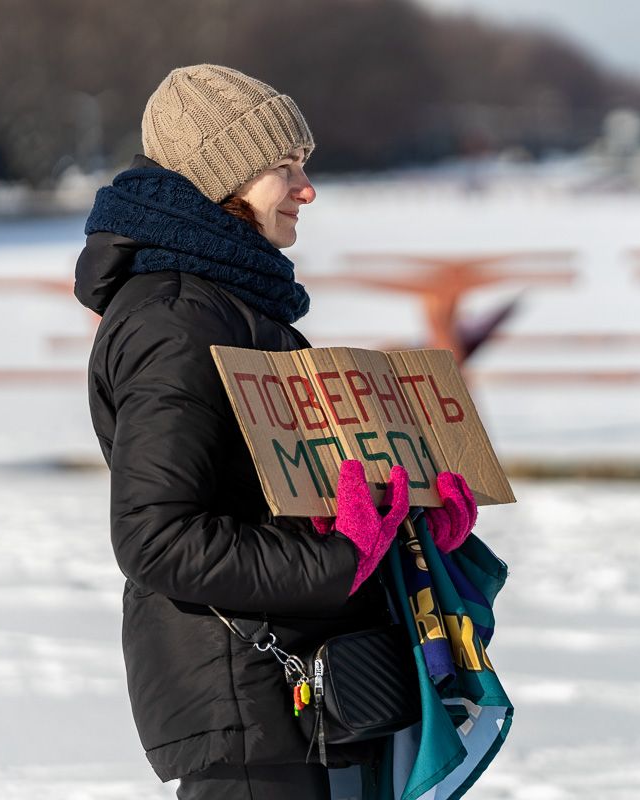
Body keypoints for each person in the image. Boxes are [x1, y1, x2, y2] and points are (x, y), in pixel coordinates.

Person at [74, 65, 476, 799]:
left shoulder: (233, 307)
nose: (306, 189)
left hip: (307, 698)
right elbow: (156, 538)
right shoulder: (176, 318)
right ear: (223, 181)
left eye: (305, 167)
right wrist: (342, 556)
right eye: (283, 169)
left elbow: (284, 496)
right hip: (251, 702)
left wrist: (408, 521)